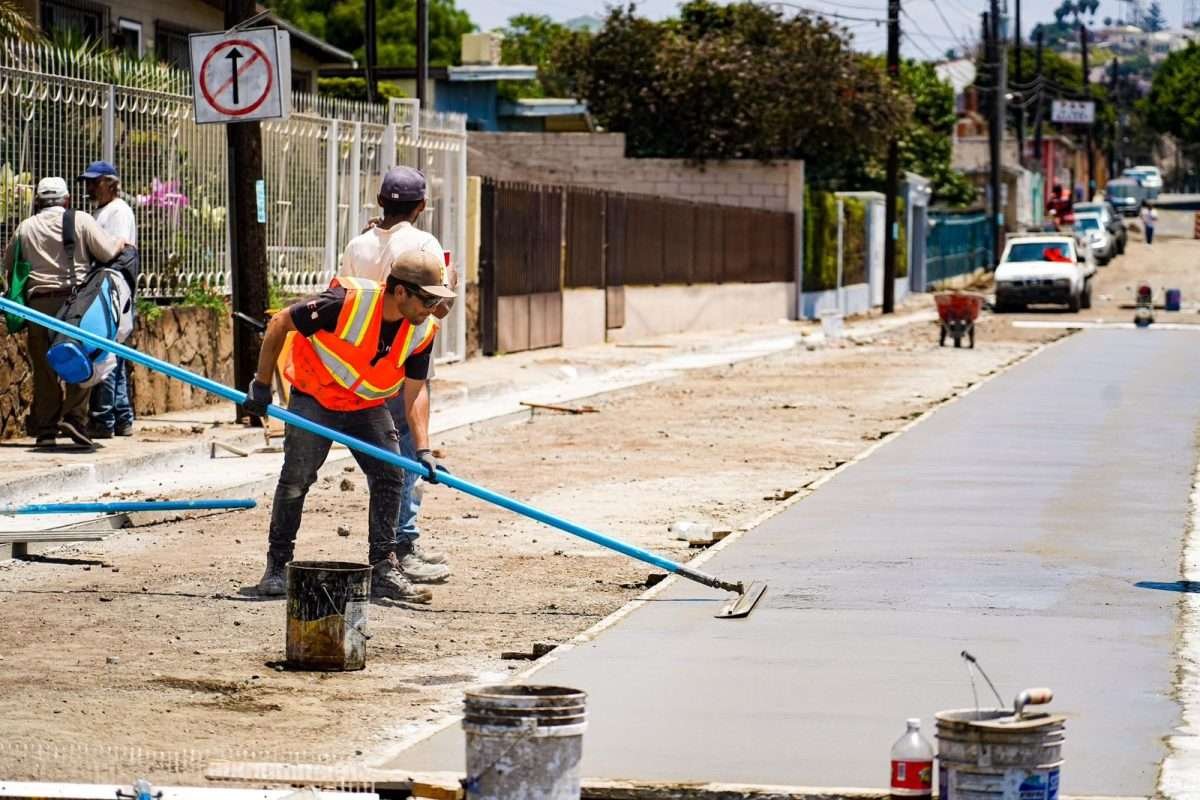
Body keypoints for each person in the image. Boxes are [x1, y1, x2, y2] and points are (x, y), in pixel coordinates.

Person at [245, 248, 455, 604]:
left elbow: (416, 390)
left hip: (365, 405)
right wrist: (262, 384)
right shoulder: (345, 302)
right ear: (400, 291)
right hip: (316, 397)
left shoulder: (422, 330)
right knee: (296, 479)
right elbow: (280, 322)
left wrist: (422, 448)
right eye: (428, 300)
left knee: (391, 474)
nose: (433, 309)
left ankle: (383, 568)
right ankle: (277, 567)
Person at [339, 166, 457, 585]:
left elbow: (347, 297)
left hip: (363, 362)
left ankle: (392, 547)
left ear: (380, 202)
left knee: (386, 462)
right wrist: (452, 279)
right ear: (421, 206)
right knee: (404, 455)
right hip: (407, 357)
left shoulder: (357, 245)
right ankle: (402, 546)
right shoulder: (424, 245)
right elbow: (438, 306)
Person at [1, 177, 125, 448]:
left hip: (38, 307)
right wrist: (121, 243)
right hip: (75, 305)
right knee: (83, 357)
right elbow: (106, 253)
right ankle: (74, 418)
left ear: (38, 201)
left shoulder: (25, 227)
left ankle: (46, 429)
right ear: (66, 199)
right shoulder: (80, 220)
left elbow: (9, 262)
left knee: (45, 369)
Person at [79, 160, 137, 439]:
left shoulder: (118, 211)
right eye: (88, 182)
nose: (90, 187)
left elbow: (118, 247)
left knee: (106, 354)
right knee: (115, 353)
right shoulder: (103, 211)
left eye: (95, 182)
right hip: (111, 288)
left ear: (110, 184)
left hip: (112, 289)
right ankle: (122, 417)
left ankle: (103, 419)